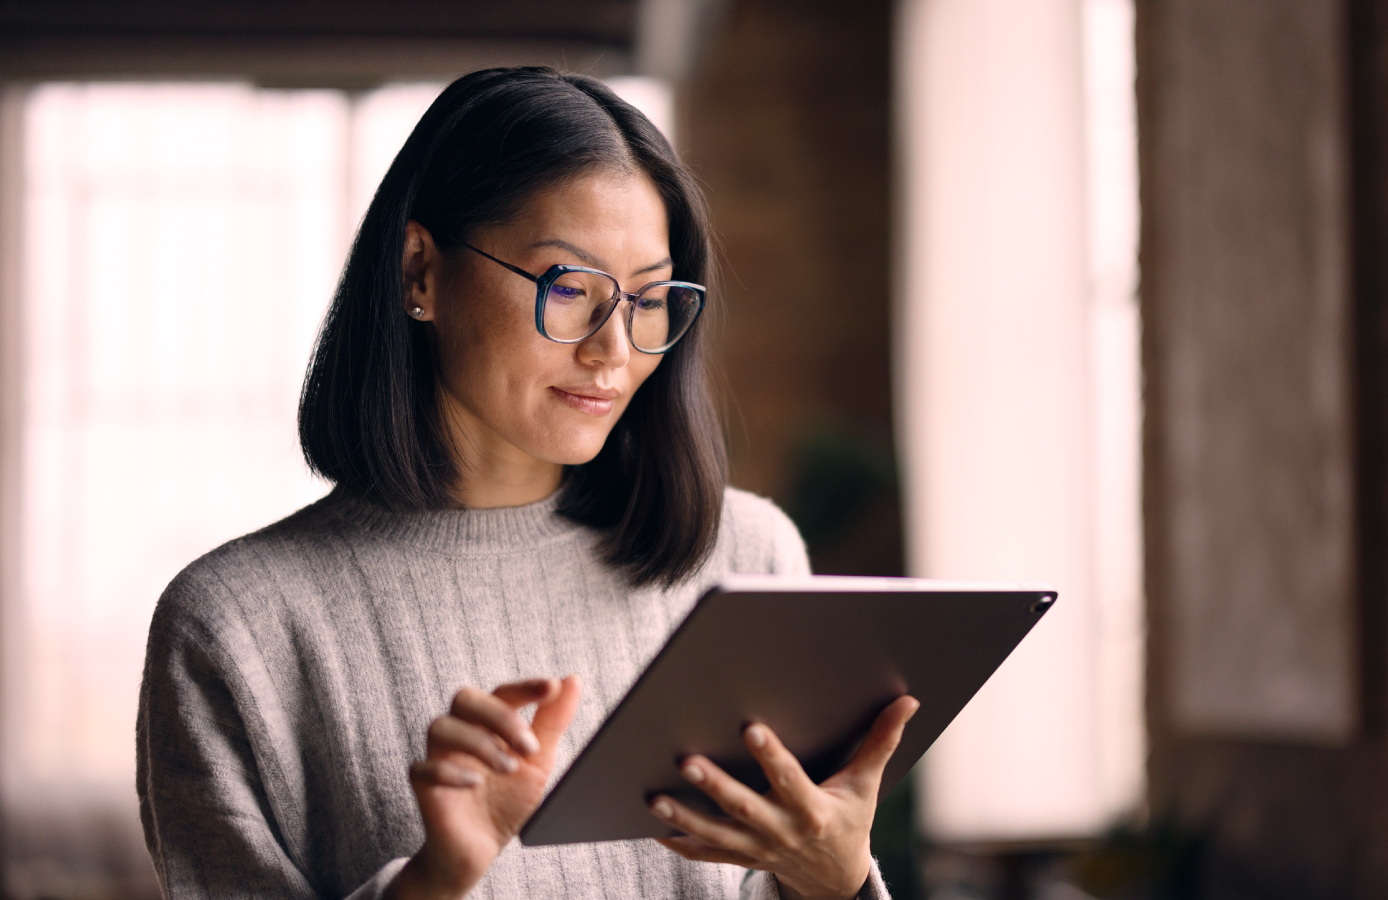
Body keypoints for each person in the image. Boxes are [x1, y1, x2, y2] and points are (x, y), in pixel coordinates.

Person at [136, 67, 918, 900]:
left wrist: (836, 884)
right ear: (419, 273)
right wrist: (438, 878)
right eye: (569, 287)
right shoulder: (237, 626)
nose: (613, 349)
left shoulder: (748, 556)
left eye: (651, 300)